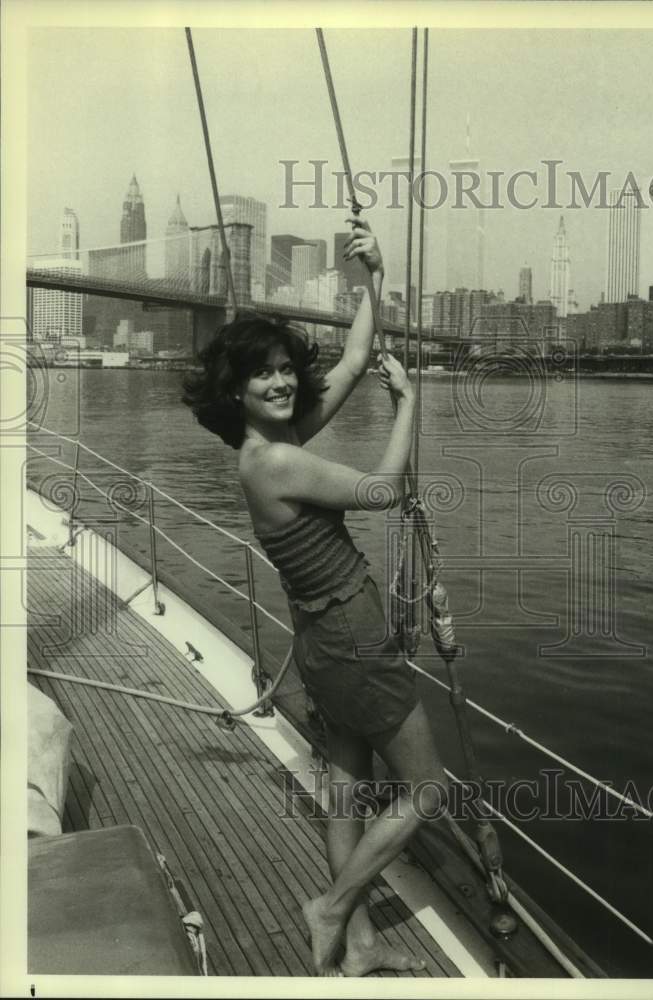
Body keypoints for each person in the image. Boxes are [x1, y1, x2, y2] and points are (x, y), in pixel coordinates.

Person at [182, 217, 447, 976]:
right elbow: (380, 490)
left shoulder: (273, 441)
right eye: (261, 374)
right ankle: (330, 910)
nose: (281, 381)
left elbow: (359, 353)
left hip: (323, 638)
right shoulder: (273, 462)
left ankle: (359, 947)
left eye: (285, 368)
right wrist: (408, 409)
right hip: (353, 636)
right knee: (426, 790)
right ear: (235, 390)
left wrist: (372, 276)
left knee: (346, 787)